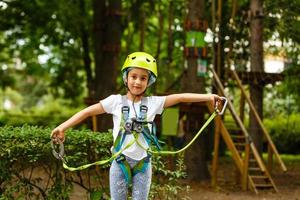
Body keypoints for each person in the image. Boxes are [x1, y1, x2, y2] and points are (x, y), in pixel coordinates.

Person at [51, 52, 221, 200]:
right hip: (120, 162)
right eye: (134, 76)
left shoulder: (153, 103)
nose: (137, 82)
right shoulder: (115, 102)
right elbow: (88, 111)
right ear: (126, 77)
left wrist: (208, 97)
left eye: (143, 78)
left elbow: (180, 97)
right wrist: (63, 127)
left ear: (149, 81)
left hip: (143, 164)